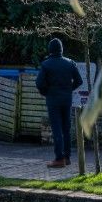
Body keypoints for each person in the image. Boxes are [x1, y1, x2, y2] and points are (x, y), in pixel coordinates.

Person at [35, 37, 83, 168]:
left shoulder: (46, 64)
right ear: (61, 49)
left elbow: (39, 83)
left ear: (50, 50)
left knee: (57, 128)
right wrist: (68, 90)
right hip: (67, 100)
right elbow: (79, 81)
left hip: (53, 100)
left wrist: (46, 92)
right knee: (66, 129)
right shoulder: (70, 63)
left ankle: (59, 158)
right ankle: (67, 157)